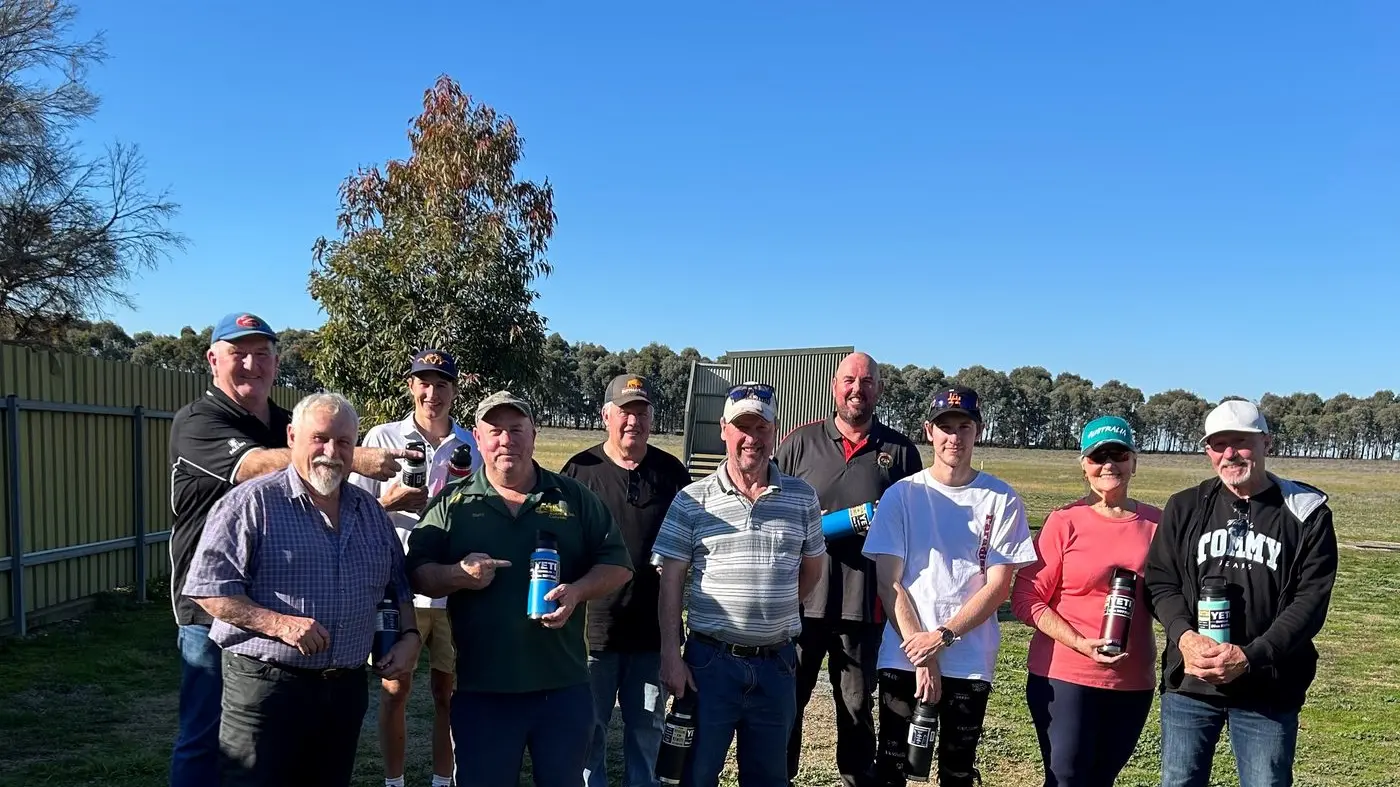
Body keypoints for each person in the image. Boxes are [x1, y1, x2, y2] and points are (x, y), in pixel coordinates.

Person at [167, 312, 409, 787]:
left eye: (263, 355)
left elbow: (322, 498)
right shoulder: (199, 420)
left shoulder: (283, 420)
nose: (252, 364)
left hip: (294, 611)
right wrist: (352, 455)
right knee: (210, 739)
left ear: (277, 364)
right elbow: (258, 467)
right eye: (239, 354)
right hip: (212, 606)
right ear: (213, 360)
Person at [404, 390, 635, 787]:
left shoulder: (572, 497)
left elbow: (618, 565)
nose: (506, 440)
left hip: (562, 687)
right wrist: (458, 575)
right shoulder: (454, 503)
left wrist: (578, 591)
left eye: (516, 429)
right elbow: (417, 573)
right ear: (476, 438)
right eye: (495, 431)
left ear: (534, 435)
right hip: (484, 690)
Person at [1145, 399, 1339, 787]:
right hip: (1192, 683)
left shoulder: (1306, 511)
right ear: (1208, 452)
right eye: (1219, 444)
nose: (1230, 453)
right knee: (1179, 780)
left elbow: (1310, 601)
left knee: (1265, 782)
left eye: (1242, 441)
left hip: (1268, 685)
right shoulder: (1185, 506)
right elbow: (1160, 581)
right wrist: (1184, 637)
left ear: (1268, 442)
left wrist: (1251, 657)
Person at [652, 381, 828, 787]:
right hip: (708, 665)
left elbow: (813, 569)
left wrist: (776, 609)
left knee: (769, 778)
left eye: (761, 428)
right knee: (695, 775)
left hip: (777, 666)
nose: (752, 439)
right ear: (724, 430)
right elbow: (671, 581)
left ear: (776, 430)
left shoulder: (801, 498)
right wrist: (670, 654)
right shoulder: (692, 500)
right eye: (742, 428)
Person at [862, 386, 1038, 787]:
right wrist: (922, 654)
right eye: (945, 427)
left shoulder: (1001, 499)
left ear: (978, 431)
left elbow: (997, 587)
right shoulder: (901, 496)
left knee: (957, 770)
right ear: (929, 431)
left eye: (964, 427)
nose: (954, 437)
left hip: (969, 658)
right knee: (892, 768)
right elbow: (889, 582)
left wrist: (941, 638)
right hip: (904, 655)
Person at [775, 352, 922, 787]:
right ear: (834, 387)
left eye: (868, 381)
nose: (858, 389)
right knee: (789, 701)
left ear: (879, 388)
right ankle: (778, 777)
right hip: (801, 603)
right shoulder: (800, 443)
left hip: (866, 607)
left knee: (857, 707)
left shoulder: (899, 451)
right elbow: (770, 506)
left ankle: (856, 780)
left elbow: (914, 526)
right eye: (849, 381)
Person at [350, 349, 482, 787]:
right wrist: (391, 502)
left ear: (454, 391)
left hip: (452, 589)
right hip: (395, 589)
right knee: (394, 690)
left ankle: (443, 781)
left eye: (442, 384)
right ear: (410, 387)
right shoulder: (382, 438)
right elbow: (349, 510)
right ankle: (395, 782)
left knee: (449, 694)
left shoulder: (470, 446)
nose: (432, 393)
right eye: (424, 383)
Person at [1010, 416, 1162, 787]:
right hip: (1066, 675)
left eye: (1118, 454)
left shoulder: (1159, 524)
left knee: (1102, 779)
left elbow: (1171, 595)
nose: (1108, 464)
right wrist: (1079, 643)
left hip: (1132, 681)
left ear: (1134, 462)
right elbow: (1026, 597)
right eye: (1097, 457)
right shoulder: (1065, 521)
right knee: (1066, 778)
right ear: (1084, 466)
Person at [561, 374, 693, 787]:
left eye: (641, 411)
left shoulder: (671, 473)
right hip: (592, 633)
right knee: (589, 734)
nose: (633, 420)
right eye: (624, 411)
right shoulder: (579, 471)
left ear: (652, 418)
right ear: (606, 416)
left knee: (646, 734)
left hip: (652, 637)